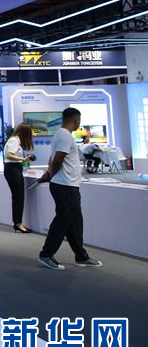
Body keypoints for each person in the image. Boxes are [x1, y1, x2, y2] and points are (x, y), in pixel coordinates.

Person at [38, 107, 103, 270]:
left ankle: (81, 256)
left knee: (75, 223)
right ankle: (46, 254)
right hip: (65, 186)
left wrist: (49, 172)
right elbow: (58, 158)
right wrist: (51, 173)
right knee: (63, 221)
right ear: (76, 120)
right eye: (79, 121)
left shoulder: (60, 135)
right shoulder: (65, 135)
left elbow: (53, 157)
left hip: (68, 185)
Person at [3, 123, 36, 233]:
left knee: (18, 197)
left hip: (14, 169)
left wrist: (23, 161)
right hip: (13, 169)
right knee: (18, 197)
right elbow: (8, 155)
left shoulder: (15, 140)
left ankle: (18, 222)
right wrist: (22, 159)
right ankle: (18, 223)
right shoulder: (14, 140)